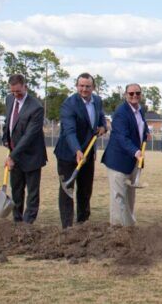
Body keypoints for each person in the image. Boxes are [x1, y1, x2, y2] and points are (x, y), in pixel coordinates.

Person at [54, 73, 106, 228]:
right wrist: (77, 150)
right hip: (68, 154)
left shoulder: (97, 101)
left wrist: (104, 126)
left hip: (88, 153)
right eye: (81, 86)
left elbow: (101, 117)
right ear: (76, 86)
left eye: (88, 86)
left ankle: (83, 222)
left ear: (93, 87)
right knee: (67, 189)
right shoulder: (69, 105)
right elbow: (69, 131)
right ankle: (67, 226)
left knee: (85, 189)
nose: (84, 89)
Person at [102, 83, 149, 227]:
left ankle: (128, 228)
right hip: (118, 161)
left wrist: (146, 133)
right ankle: (117, 230)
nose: (134, 96)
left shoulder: (139, 110)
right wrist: (136, 151)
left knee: (129, 197)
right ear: (125, 95)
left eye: (137, 93)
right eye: (131, 93)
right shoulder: (121, 112)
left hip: (133, 162)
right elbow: (122, 137)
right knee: (119, 197)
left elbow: (141, 126)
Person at [3, 73, 47, 224]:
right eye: (13, 92)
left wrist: (12, 156)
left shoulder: (36, 107)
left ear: (25, 87)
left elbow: (29, 136)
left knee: (32, 193)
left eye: (19, 92)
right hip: (15, 155)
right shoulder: (9, 100)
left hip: (32, 156)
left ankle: (28, 224)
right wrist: (6, 140)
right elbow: (8, 123)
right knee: (16, 190)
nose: (16, 95)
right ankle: (17, 220)